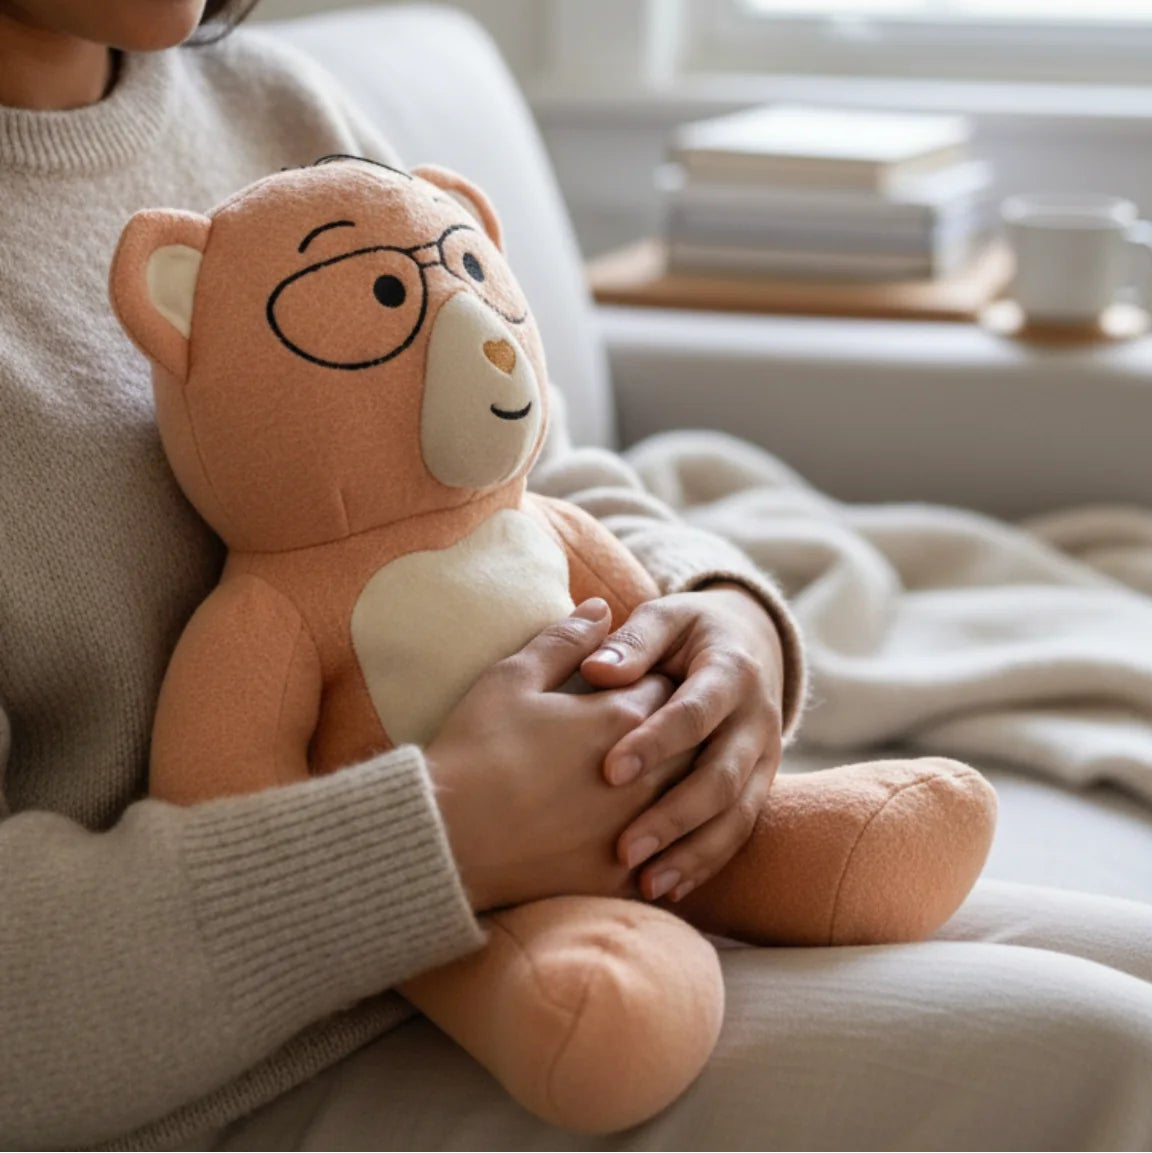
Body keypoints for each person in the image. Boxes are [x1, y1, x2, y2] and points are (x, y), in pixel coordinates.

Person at [0, 3, 1150, 1152]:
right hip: (236, 1069)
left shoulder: (276, 104)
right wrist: (437, 837)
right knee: (1112, 1054)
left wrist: (717, 614)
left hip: (593, 871)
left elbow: (519, 477)